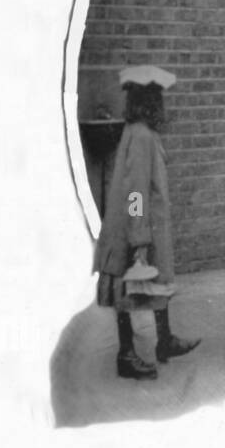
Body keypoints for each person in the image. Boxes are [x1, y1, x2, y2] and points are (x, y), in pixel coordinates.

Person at [93, 66, 200, 380]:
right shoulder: (141, 135)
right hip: (136, 227)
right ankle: (127, 356)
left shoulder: (140, 132)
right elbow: (136, 191)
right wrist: (139, 238)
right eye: (158, 98)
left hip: (142, 224)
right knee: (129, 291)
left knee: (152, 285)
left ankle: (164, 341)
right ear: (150, 102)